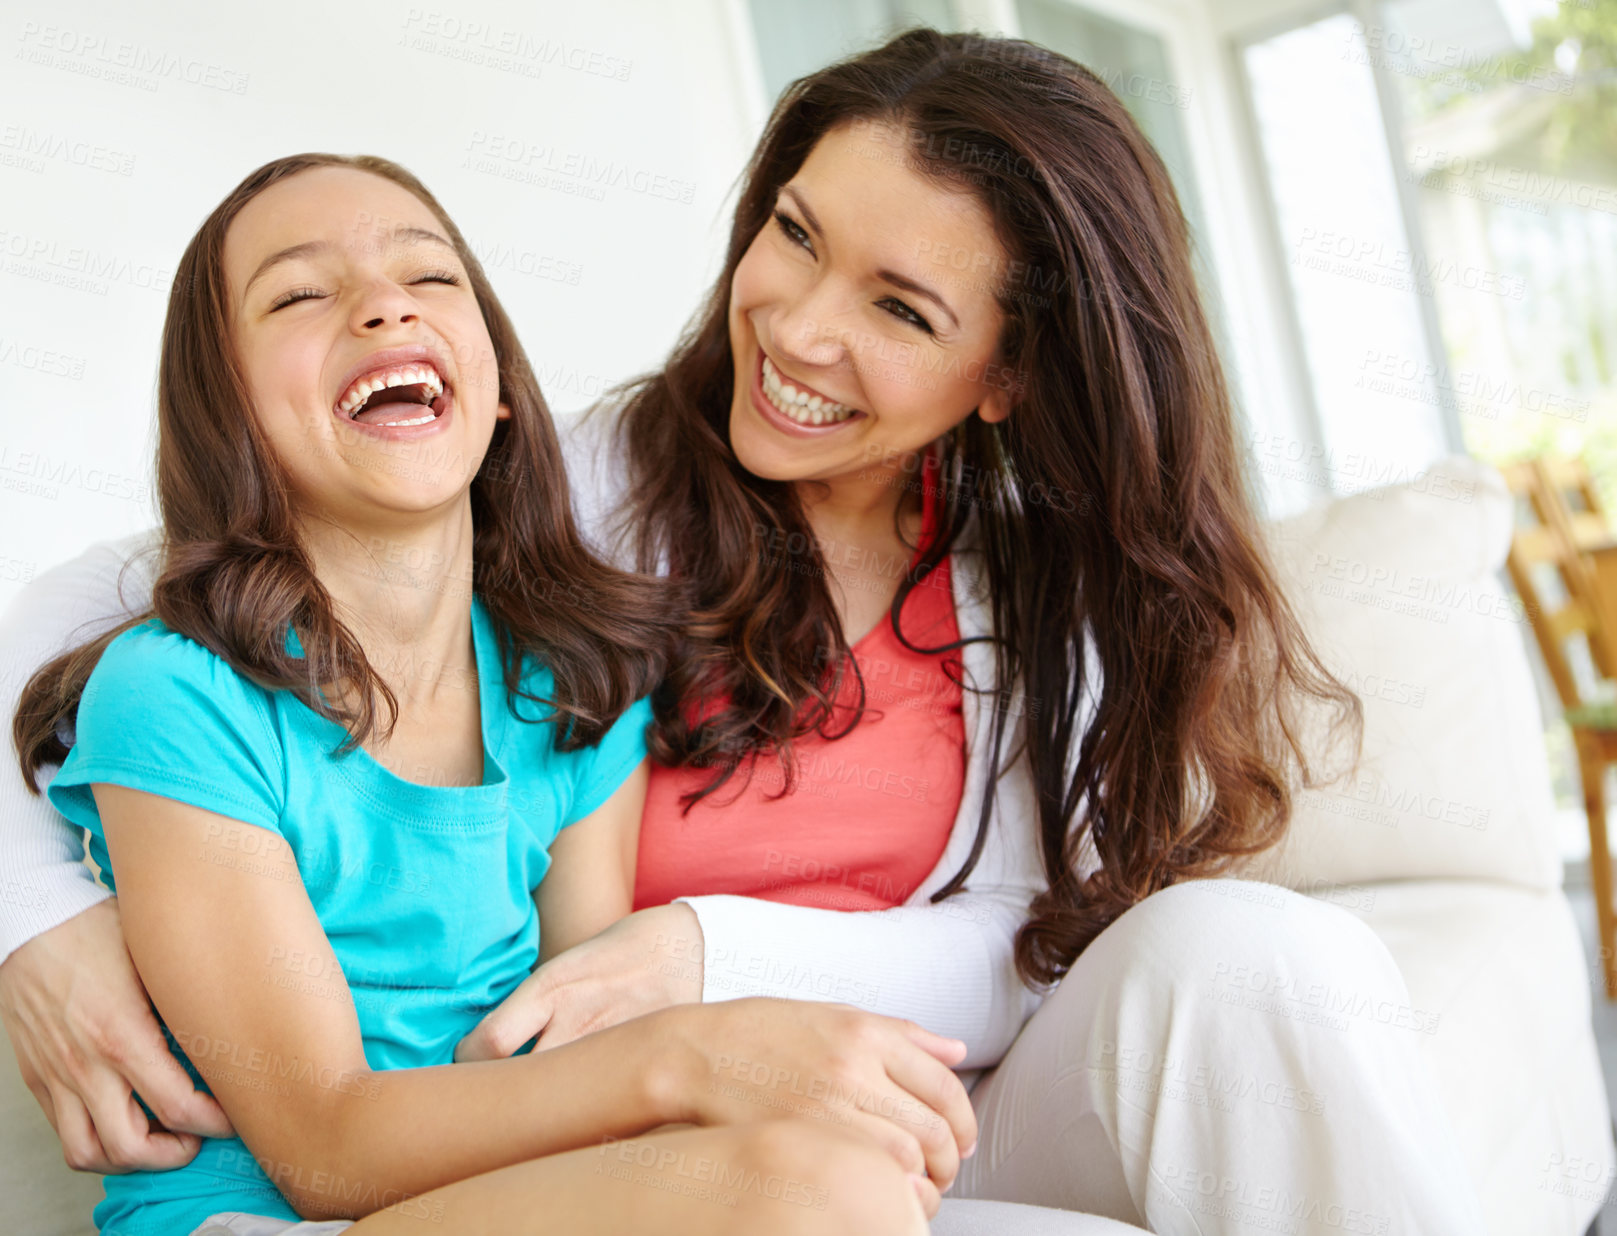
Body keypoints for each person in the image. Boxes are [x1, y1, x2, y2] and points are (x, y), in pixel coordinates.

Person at [1, 30, 1488, 1235]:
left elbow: (1027, 945)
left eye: (901, 310)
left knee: (1256, 952)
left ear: (1007, 374)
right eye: (794, 234)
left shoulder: (1040, 590)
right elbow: (129, 605)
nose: (795, 328)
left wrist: (704, 959)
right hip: (694, 1147)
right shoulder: (550, 495)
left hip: (913, 1105)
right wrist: (35, 924)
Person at [3, 151, 986, 1236]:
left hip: (491, 1203)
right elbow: (325, 1151)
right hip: (257, 1219)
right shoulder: (177, 698)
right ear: (224, 412)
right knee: (814, 1189)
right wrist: (701, 1052)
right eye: (300, 293)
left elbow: (574, 1052)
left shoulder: (575, 687)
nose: (383, 307)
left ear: (503, 390)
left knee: (831, 1174)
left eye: (430, 280)